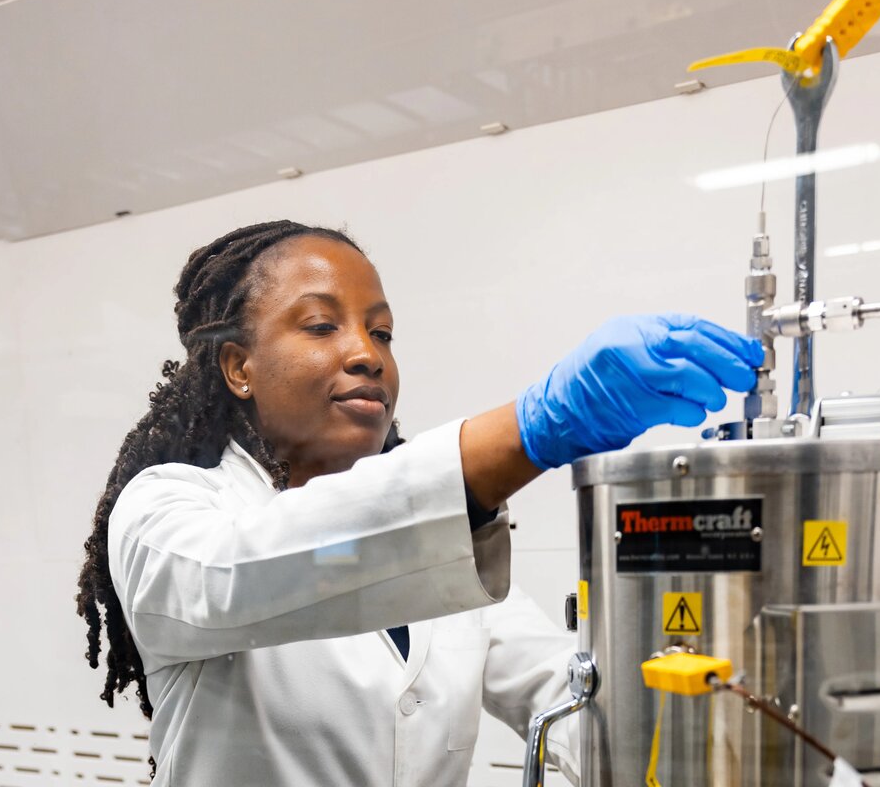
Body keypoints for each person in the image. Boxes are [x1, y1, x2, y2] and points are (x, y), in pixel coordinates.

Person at [76, 220, 763, 786]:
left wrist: (705, 739)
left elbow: (569, 699)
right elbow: (246, 571)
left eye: (381, 333)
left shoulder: (445, 553)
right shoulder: (167, 510)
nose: (367, 355)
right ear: (238, 367)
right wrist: (527, 432)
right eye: (321, 327)